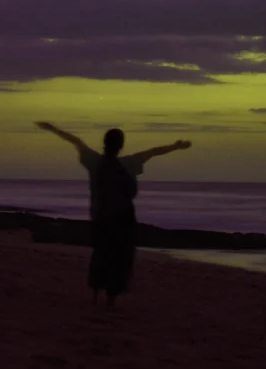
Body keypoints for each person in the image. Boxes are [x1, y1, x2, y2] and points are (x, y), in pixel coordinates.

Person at [35, 121, 191, 306]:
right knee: (119, 259)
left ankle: (95, 295)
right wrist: (176, 146)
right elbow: (152, 152)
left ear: (105, 142)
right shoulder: (127, 163)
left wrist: (53, 129)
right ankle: (111, 298)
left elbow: (76, 141)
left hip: (101, 218)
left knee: (101, 255)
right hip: (121, 219)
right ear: (120, 145)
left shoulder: (94, 161)